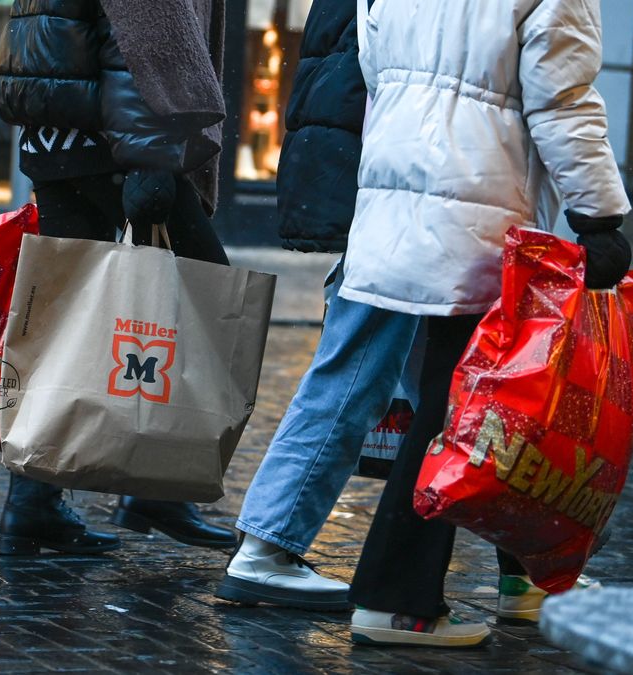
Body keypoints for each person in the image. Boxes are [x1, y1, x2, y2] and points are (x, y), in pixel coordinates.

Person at [342, 0, 631, 647]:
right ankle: (396, 599)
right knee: (460, 410)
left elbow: (376, 68)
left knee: (478, 398)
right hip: (478, 211)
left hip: (402, 197)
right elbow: (563, 101)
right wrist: (600, 219)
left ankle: (523, 578)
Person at [0, 0, 237, 555]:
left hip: (59, 128)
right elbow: (144, 37)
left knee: (65, 319)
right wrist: (151, 161)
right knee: (205, 296)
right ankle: (155, 485)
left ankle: (33, 506)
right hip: (113, 138)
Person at [213, 0, 421, 612]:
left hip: (387, 191)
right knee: (361, 369)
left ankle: (523, 567)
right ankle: (267, 547)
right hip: (403, 196)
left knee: (445, 390)